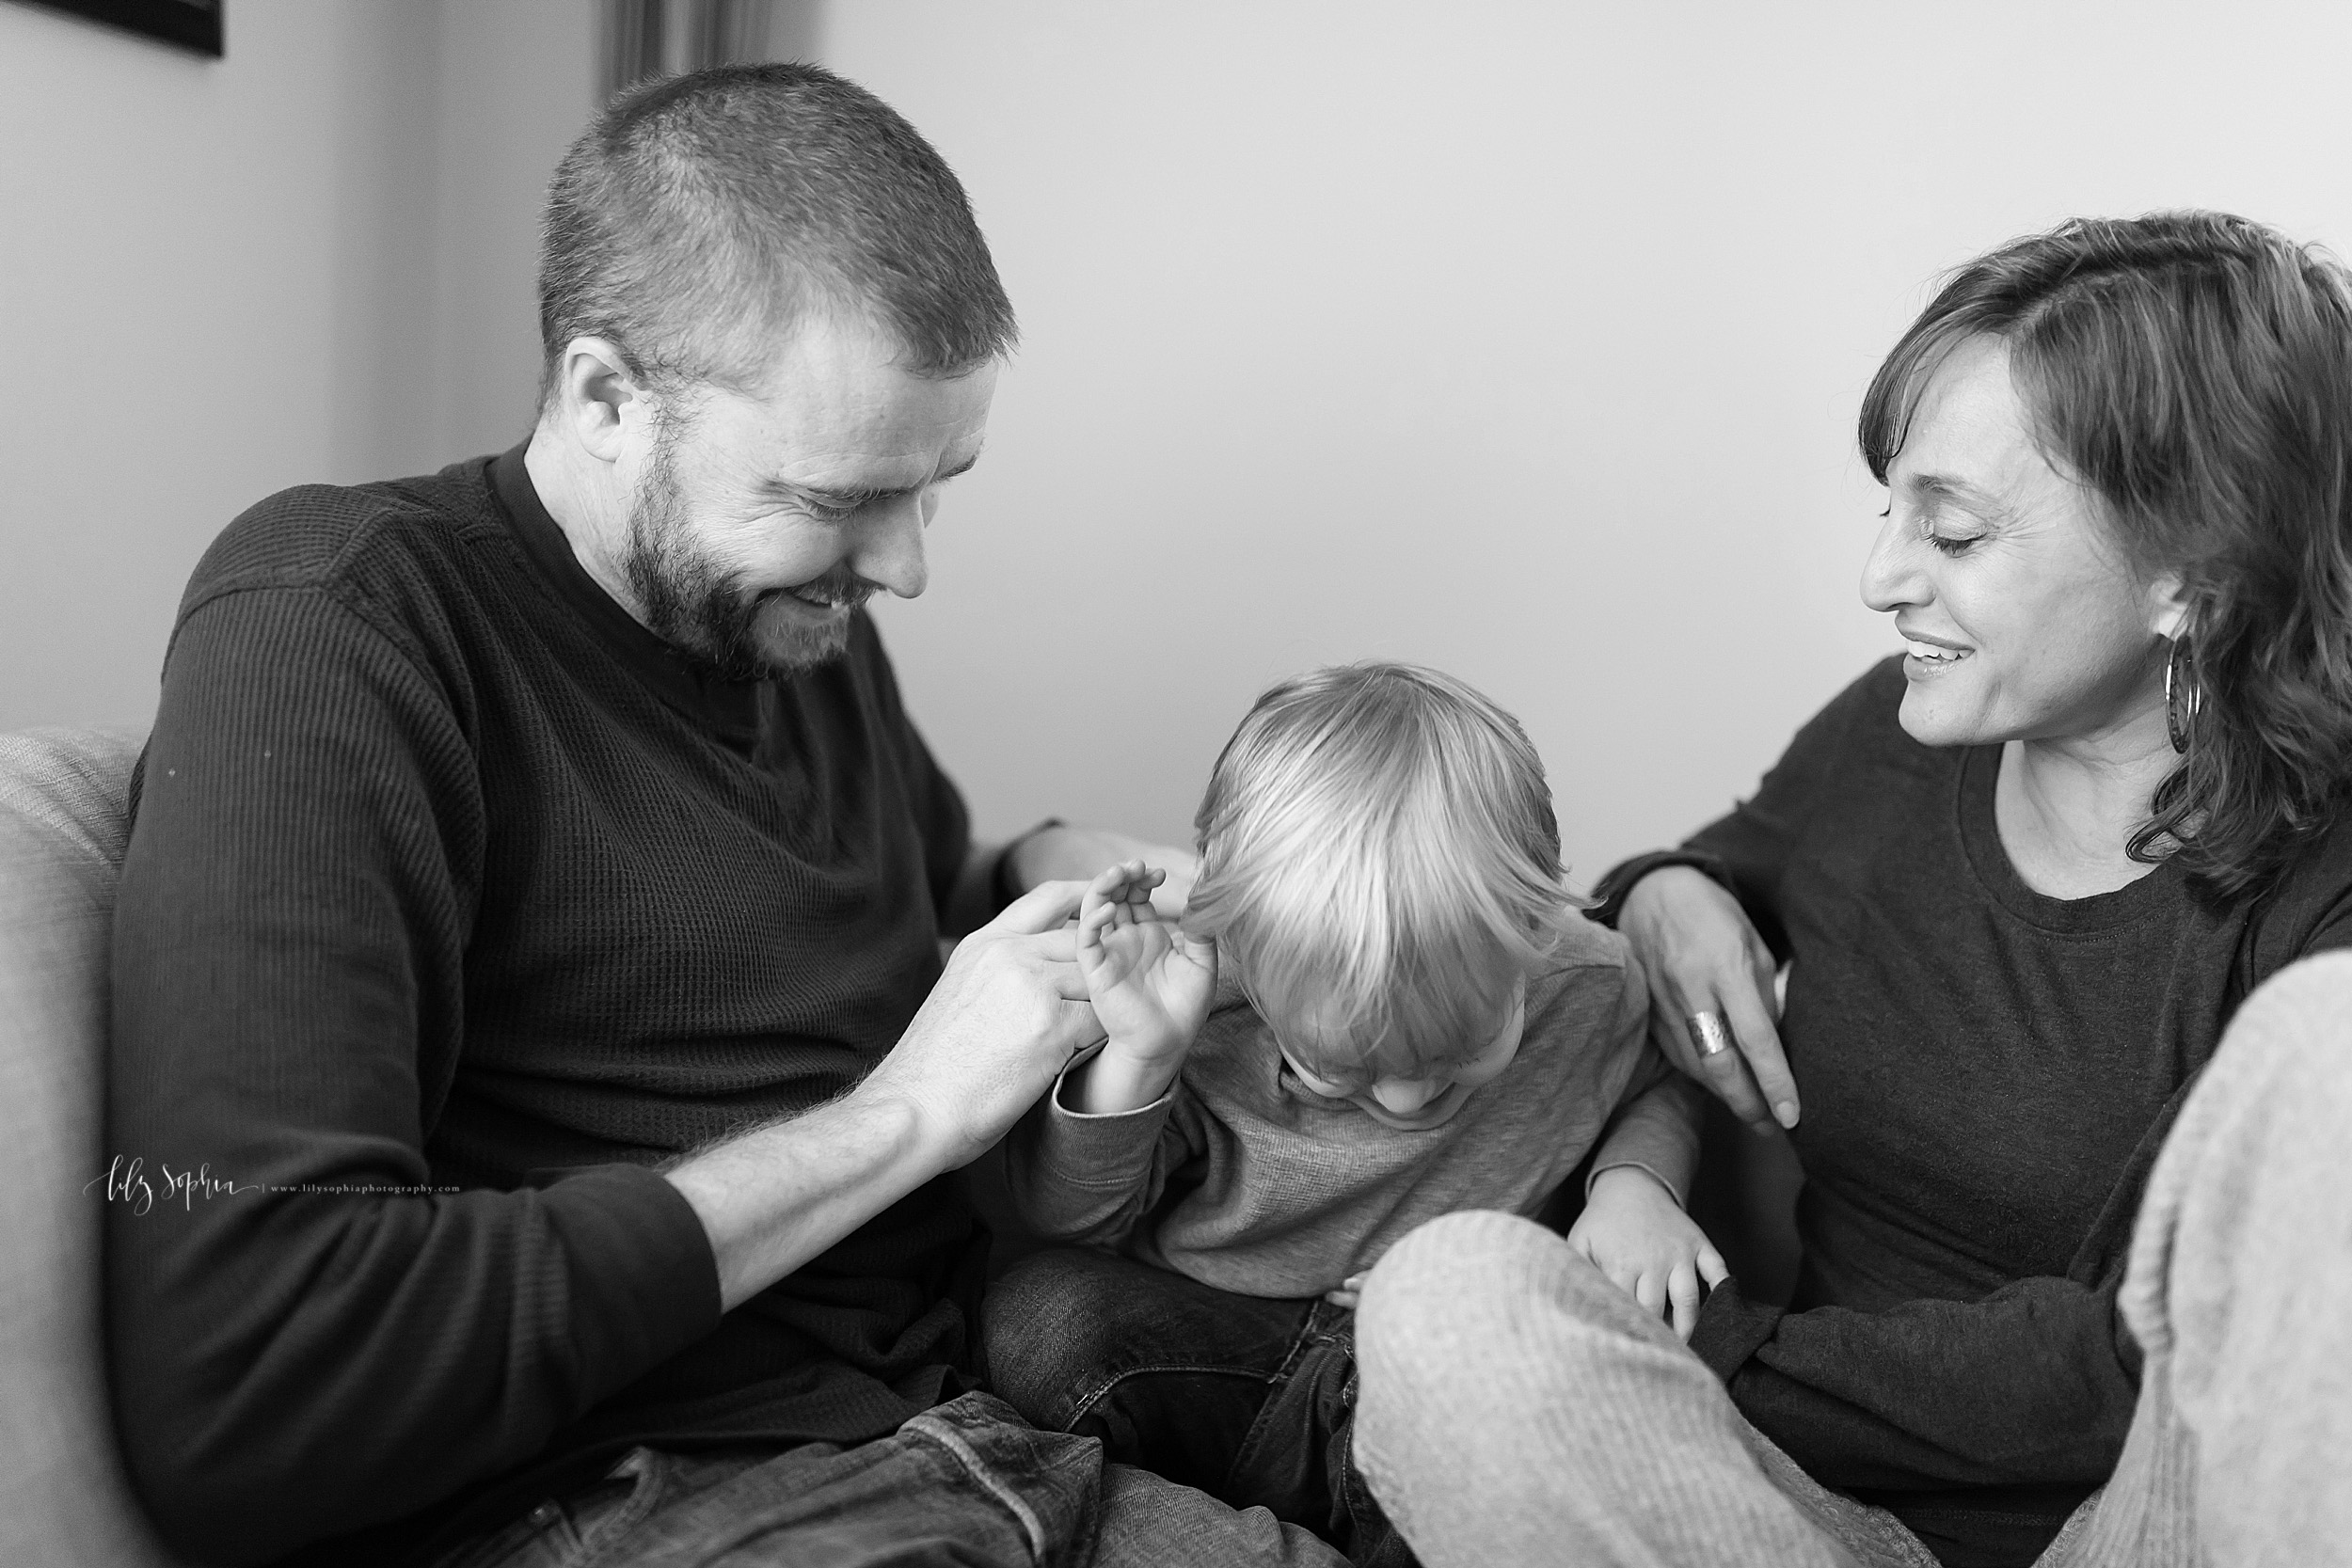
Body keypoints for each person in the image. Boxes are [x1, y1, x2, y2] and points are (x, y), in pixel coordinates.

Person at [103, 64, 1345, 1568]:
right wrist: (903, 1116)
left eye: (935, 486)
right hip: (670, 1493)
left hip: (989, 1410)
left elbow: (870, 908)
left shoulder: (789, 627)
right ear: (606, 396)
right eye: (837, 498)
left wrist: (1032, 868)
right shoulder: (339, 622)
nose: (903, 570)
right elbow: (257, 1377)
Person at [1340, 211, 2352, 1568]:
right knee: (1443, 1303)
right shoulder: (1900, 726)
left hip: (2128, 1523)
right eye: (1893, 513)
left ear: (2196, 574)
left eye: (1955, 531)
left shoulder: (2317, 911)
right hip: (1801, 1509)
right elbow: (1721, 859)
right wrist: (1666, 885)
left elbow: (2113, 1371)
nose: (1883, 577)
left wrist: (1697, 1349)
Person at [985, 663, 1719, 1565]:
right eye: (1340, 1067)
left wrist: (1636, 1187)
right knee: (1037, 1319)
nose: (1409, 1098)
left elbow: (1659, 1082)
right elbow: (1068, 1221)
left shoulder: (1588, 985)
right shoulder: (1210, 1013)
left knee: (1528, 1444)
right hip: (1223, 1341)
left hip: (1424, 1381)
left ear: (1533, 937)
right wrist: (1143, 1055)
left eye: (1460, 1051)